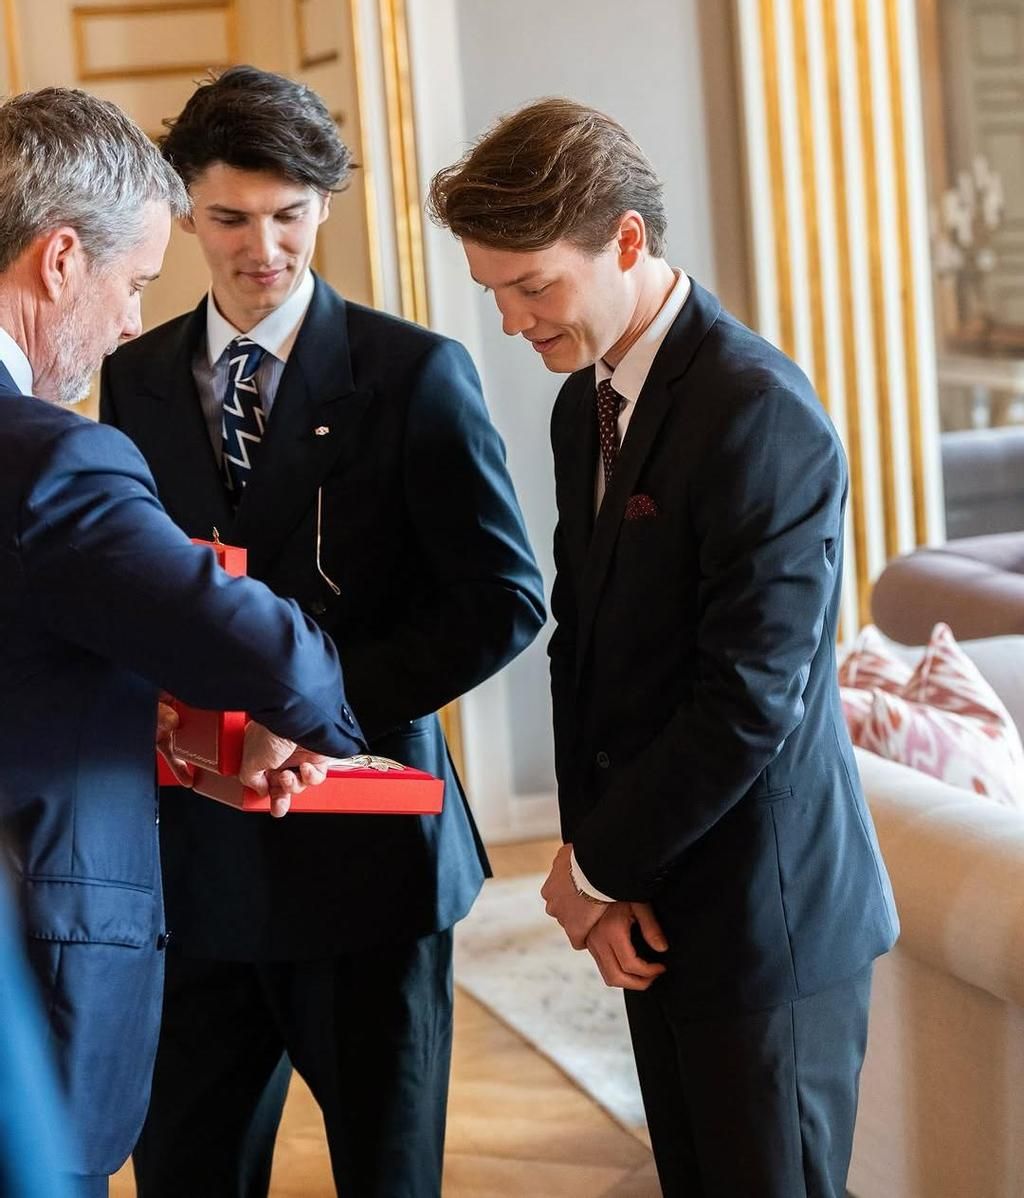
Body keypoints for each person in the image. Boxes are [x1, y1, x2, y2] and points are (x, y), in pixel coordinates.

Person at [428, 97, 899, 1197]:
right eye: (493, 291)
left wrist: (596, 866)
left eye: (532, 285)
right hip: (658, 901)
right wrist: (605, 865)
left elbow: (749, 700)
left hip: (765, 923)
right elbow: (582, 651)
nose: (511, 321)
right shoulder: (581, 405)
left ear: (627, 241)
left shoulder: (758, 410)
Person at [101, 66, 545, 1198]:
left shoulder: (417, 373)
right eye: (230, 219)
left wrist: (317, 713)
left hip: (369, 868)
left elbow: (503, 599)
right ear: (183, 214)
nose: (264, 248)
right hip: (192, 870)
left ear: (326, 205)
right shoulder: (131, 377)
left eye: (290, 214)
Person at [0, 87, 366, 1197]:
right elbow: (261, 649)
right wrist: (323, 725)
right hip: (26, 957)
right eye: (132, 284)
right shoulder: (50, 457)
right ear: (62, 259)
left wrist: (149, 707)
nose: (128, 323)